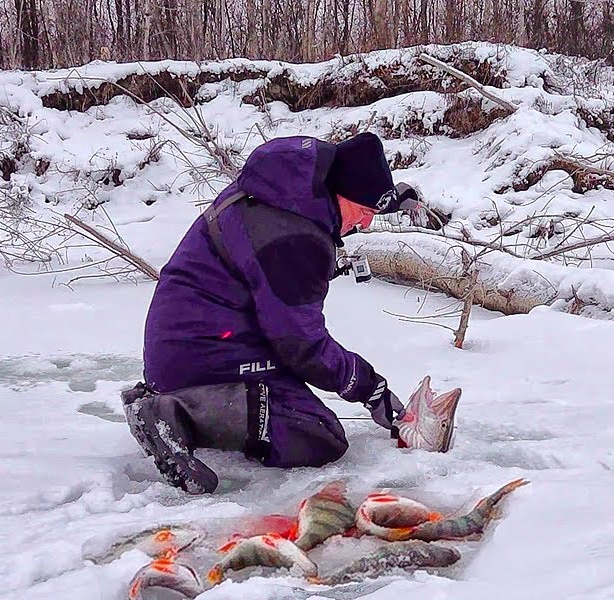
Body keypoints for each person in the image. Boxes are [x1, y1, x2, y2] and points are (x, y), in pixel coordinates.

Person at [120, 132, 420, 493]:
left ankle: (180, 397)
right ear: (341, 193)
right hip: (202, 351)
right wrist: (368, 387)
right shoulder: (293, 239)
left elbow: (353, 189)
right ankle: (178, 414)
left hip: (191, 339)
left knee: (296, 404)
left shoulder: (288, 187)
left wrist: (388, 199)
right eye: (365, 213)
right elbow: (302, 345)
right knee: (316, 435)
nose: (366, 224)